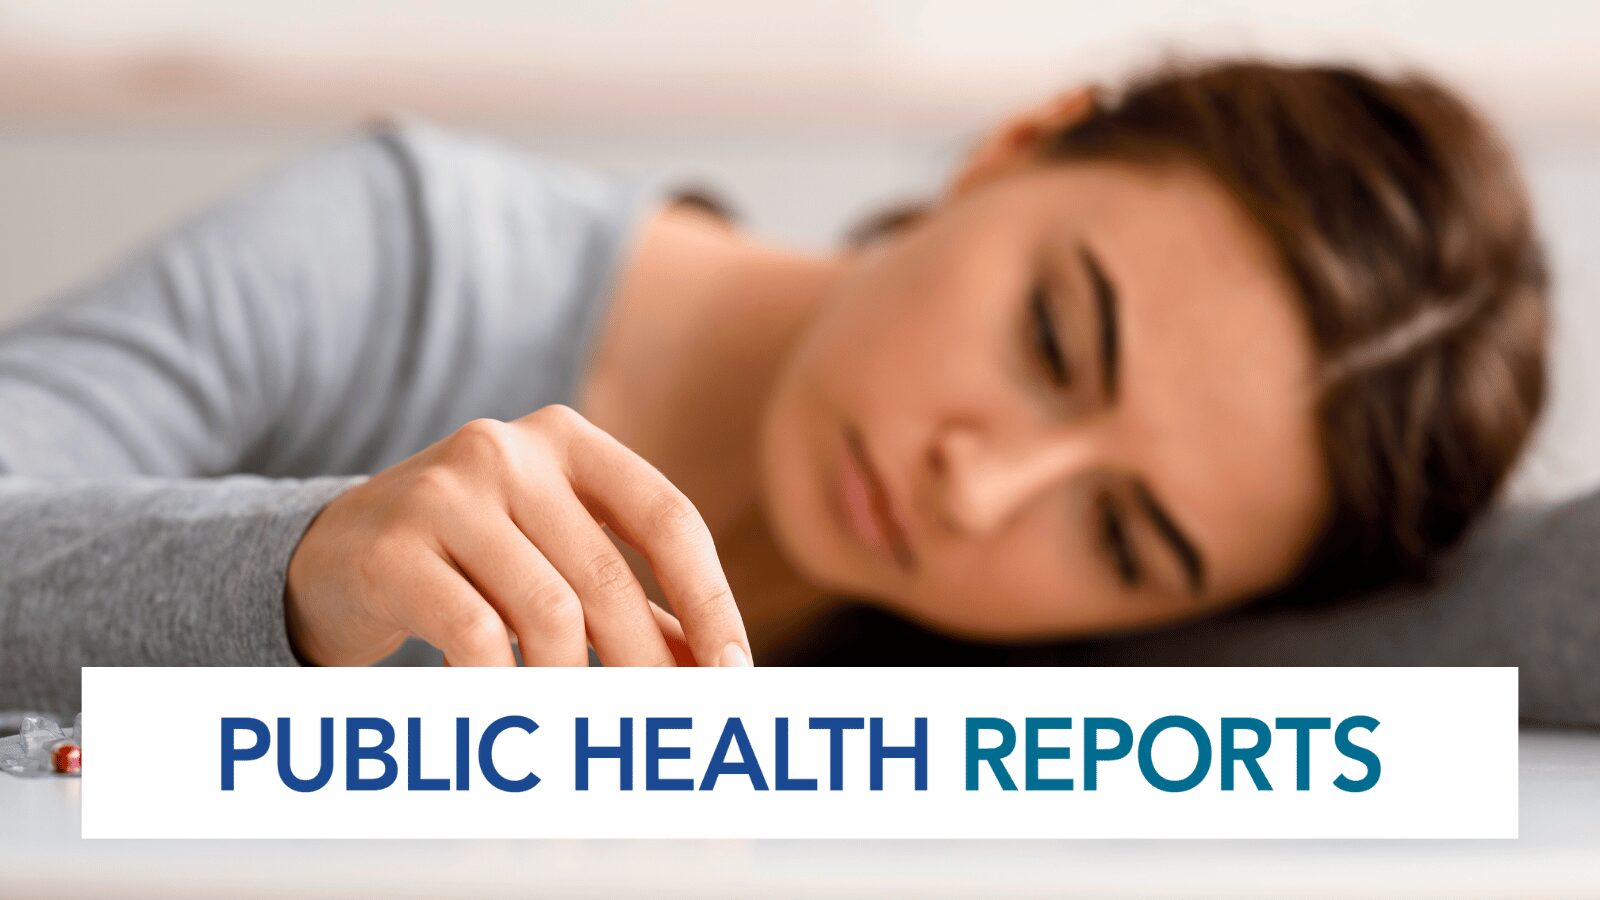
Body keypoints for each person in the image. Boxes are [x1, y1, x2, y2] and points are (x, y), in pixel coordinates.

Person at [0, 59, 1547, 710]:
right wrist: (289, 577)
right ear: (1020, 138)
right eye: (1055, 341)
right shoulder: (401, 254)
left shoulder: (1080, 656)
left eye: (1126, 539)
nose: (983, 487)